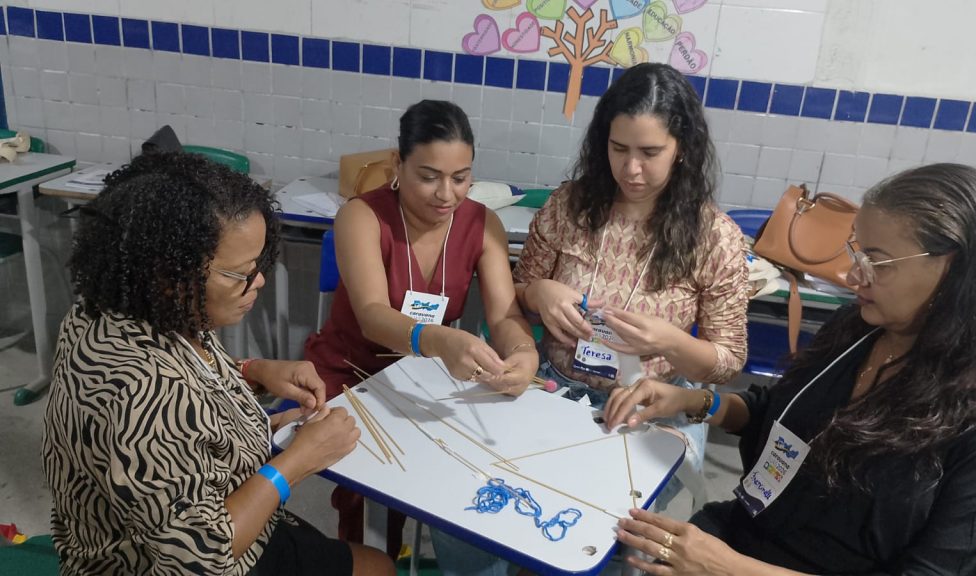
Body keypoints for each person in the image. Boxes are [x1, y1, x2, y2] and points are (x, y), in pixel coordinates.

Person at [606, 163, 976, 575]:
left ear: (953, 269)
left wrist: (727, 567)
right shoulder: (857, 329)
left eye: (878, 262)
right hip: (745, 533)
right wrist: (694, 401)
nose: (853, 276)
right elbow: (783, 413)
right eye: (857, 252)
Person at [41, 153, 395, 576]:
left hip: (213, 506)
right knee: (378, 569)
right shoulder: (140, 394)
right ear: (167, 273)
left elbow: (190, 388)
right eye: (240, 274)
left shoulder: (123, 311)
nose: (258, 281)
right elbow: (201, 557)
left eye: (258, 265)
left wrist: (252, 372)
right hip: (168, 561)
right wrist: (298, 461)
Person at [304, 99, 539, 558]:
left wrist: (524, 353)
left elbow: (504, 316)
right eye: (429, 177)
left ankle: (401, 554)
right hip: (349, 374)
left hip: (425, 376)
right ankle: (368, 558)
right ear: (398, 163)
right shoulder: (362, 215)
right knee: (370, 483)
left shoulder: (482, 224)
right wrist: (437, 339)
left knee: (459, 473)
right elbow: (372, 313)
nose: (446, 194)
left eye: (461, 178)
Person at [513, 61, 748, 465]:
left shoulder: (714, 237)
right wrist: (538, 292)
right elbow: (517, 294)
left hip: (649, 409)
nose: (631, 169)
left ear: (681, 149)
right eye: (618, 149)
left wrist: (670, 342)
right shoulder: (568, 206)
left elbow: (727, 362)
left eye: (650, 153)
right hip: (554, 389)